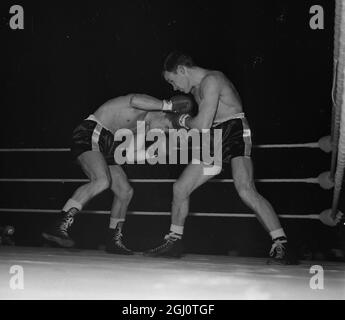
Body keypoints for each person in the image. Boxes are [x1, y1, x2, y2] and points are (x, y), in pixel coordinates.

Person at [144, 51, 298, 264]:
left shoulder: (212, 81)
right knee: (180, 187)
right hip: (214, 137)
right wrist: (172, 125)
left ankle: (281, 243)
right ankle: (174, 241)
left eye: (172, 80)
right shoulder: (198, 89)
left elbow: (201, 124)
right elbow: (203, 126)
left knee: (245, 188)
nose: (174, 87)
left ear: (181, 70)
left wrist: (179, 120)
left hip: (234, 130)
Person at [42, 93, 193, 254]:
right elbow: (134, 99)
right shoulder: (143, 108)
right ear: (164, 114)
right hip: (91, 133)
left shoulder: (143, 128)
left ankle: (112, 239)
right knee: (101, 181)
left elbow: (128, 154)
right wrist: (168, 105)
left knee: (125, 191)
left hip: (107, 145)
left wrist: (149, 154)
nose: (162, 131)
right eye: (166, 127)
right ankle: (58, 224)